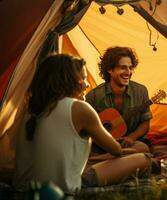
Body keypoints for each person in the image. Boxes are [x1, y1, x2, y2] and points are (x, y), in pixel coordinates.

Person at [13, 54, 151, 193]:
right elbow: (116, 150)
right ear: (68, 80)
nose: (87, 84)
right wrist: (125, 151)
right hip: (60, 189)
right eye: (83, 78)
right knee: (144, 159)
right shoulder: (79, 108)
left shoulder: (32, 108)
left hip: (24, 188)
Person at [86, 46, 152, 154]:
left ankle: (108, 158)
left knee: (143, 148)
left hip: (128, 144)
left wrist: (132, 137)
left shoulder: (141, 91)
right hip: (101, 145)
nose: (128, 72)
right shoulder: (94, 96)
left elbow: (145, 123)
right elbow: (85, 129)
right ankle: (115, 156)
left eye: (130, 68)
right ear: (110, 69)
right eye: (123, 67)